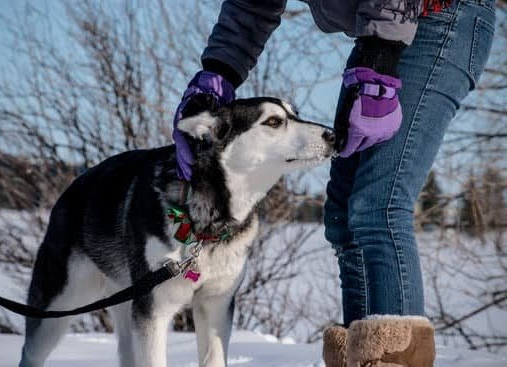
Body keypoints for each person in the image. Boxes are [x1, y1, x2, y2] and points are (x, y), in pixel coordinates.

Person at [172, 0, 496, 365]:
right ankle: (362, 359)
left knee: (379, 204)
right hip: (379, 32)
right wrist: (218, 73)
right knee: (343, 219)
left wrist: (382, 51)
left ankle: (395, 358)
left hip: (435, 17)